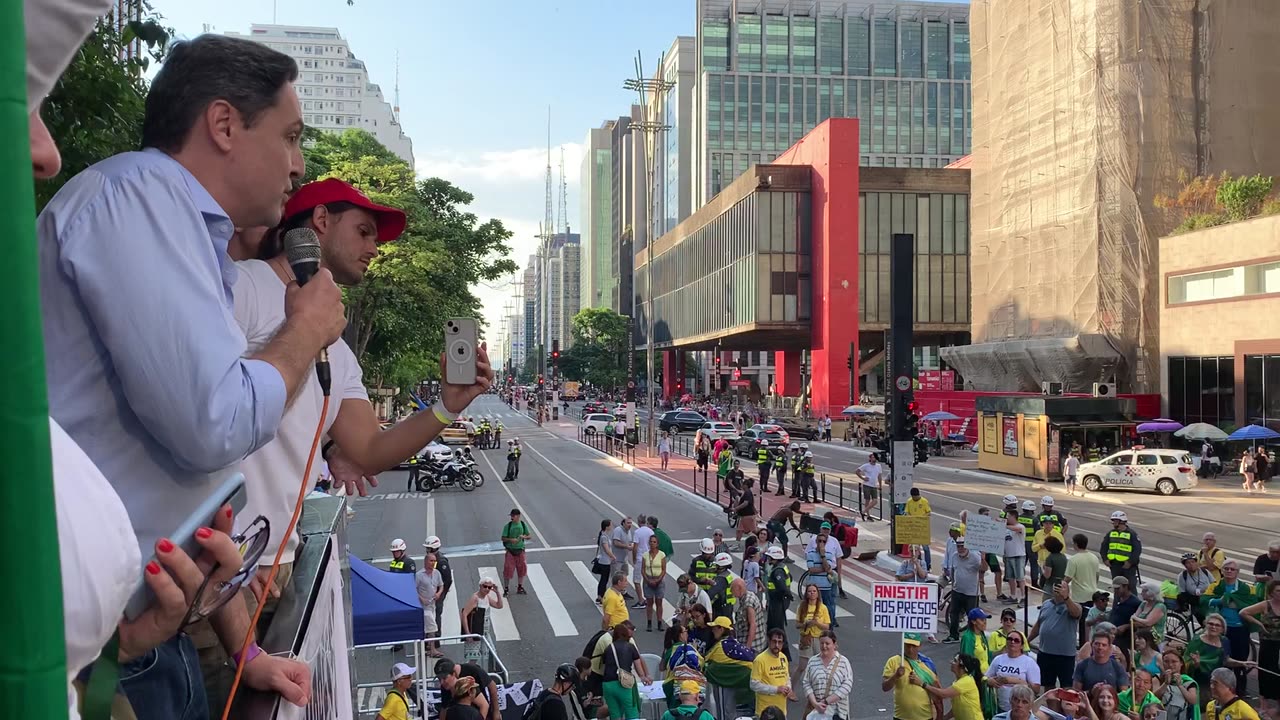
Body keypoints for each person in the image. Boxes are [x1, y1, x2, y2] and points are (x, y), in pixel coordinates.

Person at [39, 33, 325, 716]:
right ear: (224, 124)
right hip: (99, 653)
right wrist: (305, 332)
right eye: (288, 137)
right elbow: (214, 422)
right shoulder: (137, 199)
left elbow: (189, 482)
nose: (298, 164)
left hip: (145, 632)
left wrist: (245, 652)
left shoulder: (187, 233)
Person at [1204, 561, 1255, 691]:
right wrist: (1221, 601)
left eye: (1232, 569)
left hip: (1239, 629)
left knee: (1240, 660)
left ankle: (1240, 690)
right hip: (1221, 629)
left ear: (1237, 572)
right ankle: (1219, 688)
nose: (1229, 571)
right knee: (1220, 658)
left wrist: (1237, 603)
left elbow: (1252, 604)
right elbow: (1204, 601)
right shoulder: (1215, 586)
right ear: (1222, 570)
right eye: (1226, 568)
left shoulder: (1245, 588)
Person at [1030, 576, 1082, 690]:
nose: (1058, 590)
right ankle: (1051, 707)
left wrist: (1066, 598)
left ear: (1068, 591)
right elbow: (1039, 624)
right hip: (1045, 653)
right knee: (1048, 685)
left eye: (1062, 588)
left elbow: (1076, 613)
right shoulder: (1046, 604)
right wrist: (1027, 639)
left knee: (1066, 687)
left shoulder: (1074, 606)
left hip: (1065, 656)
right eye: (1056, 587)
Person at [916, 653, 992, 720]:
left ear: (962, 667)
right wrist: (944, 718)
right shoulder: (958, 682)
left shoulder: (966, 681)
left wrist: (923, 684)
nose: (951, 662)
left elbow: (943, 694)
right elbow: (956, 708)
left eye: (955, 661)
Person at [601, 621, 652, 720]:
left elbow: (604, 668)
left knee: (615, 715)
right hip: (624, 683)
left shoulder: (608, 648)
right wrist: (643, 677)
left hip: (607, 685)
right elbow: (638, 664)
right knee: (631, 713)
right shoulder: (630, 647)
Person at [1240, 578, 1280, 705]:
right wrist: (1259, 624)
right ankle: (1264, 703)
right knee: (1265, 670)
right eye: (1278, 591)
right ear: (1272, 592)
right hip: (1268, 641)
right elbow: (1244, 612)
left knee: (1277, 671)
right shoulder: (1265, 605)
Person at [883, 633, 939, 720]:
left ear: (919, 645)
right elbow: (885, 687)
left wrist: (938, 714)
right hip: (901, 717)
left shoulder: (928, 664)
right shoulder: (894, 661)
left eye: (913, 646)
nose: (910, 649)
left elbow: (936, 691)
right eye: (907, 645)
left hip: (925, 717)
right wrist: (896, 676)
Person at [987, 629, 1041, 712]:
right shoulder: (998, 659)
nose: (1012, 642)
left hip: (1021, 709)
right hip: (1001, 707)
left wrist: (1015, 681)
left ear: (1022, 645)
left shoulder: (1029, 662)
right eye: (1009, 639)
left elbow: (1036, 690)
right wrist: (989, 681)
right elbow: (985, 678)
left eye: (1016, 640)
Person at [435, 658, 500, 720]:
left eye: (444, 678)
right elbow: (444, 708)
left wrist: (495, 712)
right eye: (439, 679)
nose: (441, 682)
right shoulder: (446, 687)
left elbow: (484, 704)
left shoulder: (467, 683)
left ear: (454, 674)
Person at [1067, 534, 1103, 644]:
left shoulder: (1074, 560)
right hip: (1092, 593)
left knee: (1077, 622)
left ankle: (1082, 644)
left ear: (1076, 544)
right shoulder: (1094, 557)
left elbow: (1068, 578)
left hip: (1079, 595)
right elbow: (1097, 575)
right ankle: (1087, 642)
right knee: (1087, 623)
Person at [750, 628, 795, 715]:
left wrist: (788, 687)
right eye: (774, 641)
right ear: (769, 641)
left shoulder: (783, 657)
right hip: (765, 711)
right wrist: (776, 689)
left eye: (780, 642)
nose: (777, 645)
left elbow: (786, 677)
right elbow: (753, 684)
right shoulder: (760, 660)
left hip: (782, 710)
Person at [948, 538, 985, 644]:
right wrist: (953, 584)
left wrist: (983, 559)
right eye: (958, 546)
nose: (960, 549)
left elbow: (984, 569)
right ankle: (953, 635)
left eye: (962, 546)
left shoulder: (975, 557)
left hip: (971, 593)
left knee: (972, 616)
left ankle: (973, 637)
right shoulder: (955, 556)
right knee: (954, 613)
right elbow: (953, 570)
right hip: (957, 590)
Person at [795, 583, 831, 676]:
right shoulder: (802, 607)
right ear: (806, 593)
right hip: (806, 638)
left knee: (821, 664)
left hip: (819, 639)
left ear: (818, 593)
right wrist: (805, 624)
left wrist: (816, 623)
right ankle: (792, 687)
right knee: (802, 666)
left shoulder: (823, 608)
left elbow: (827, 626)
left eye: (814, 591)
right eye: (809, 591)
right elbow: (797, 625)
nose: (812, 593)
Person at [1152, 650, 1200, 720]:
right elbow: (1153, 698)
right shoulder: (1157, 678)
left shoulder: (1188, 681)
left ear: (1181, 663)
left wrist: (1180, 686)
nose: (1170, 665)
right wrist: (1165, 684)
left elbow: (1193, 700)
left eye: (1174, 661)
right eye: (1166, 661)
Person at [1102, 512, 1142, 588]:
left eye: (1115, 521)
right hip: (1114, 565)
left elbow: (1137, 550)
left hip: (1127, 566)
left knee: (1130, 587)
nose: (1113, 523)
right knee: (1117, 587)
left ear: (1121, 521)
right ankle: (1117, 600)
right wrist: (1105, 559)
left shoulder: (1131, 534)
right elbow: (1104, 547)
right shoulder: (1111, 533)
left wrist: (1130, 562)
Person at [416, 553, 445, 657]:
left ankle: (428, 647)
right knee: (432, 627)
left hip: (433, 604)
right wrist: (421, 598)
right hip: (424, 606)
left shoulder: (437, 573)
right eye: (431, 561)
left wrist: (438, 593)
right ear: (426, 561)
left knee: (427, 627)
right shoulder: (419, 575)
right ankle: (432, 649)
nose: (433, 563)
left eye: (434, 561)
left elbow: (441, 585)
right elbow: (413, 589)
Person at [501, 508, 532, 596]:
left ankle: (520, 587)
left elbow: (529, 536)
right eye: (511, 515)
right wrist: (511, 540)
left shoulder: (523, 524)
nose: (511, 517)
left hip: (520, 550)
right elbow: (503, 538)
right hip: (510, 551)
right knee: (508, 570)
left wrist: (524, 537)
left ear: (518, 516)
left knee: (522, 569)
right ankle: (506, 588)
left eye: (513, 516)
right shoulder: (508, 526)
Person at [643, 534, 669, 632]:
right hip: (648, 580)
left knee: (659, 602)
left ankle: (659, 622)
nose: (652, 544)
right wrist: (648, 580)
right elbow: (643, 569)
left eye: (654, 542)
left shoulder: (661, 555)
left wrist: (658, 580)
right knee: (649, 603)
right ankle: (649, 622)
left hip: (659, 580)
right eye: (651, 542)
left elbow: (663, 569)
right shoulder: (645, 555)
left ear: (657, 544)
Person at [1178, 553, 1215, 621]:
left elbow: (1214, 585)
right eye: (1188, 563)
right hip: (1195, 602)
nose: (1191, 564)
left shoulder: (1205, 572)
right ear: (1185, 565)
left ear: (1196, 562)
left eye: (1193, 562)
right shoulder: (1183, 576)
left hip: (1207, 599)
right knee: (1201, 617)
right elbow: (1182, 592)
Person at [1131, 582, 1168, 648]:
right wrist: (1139, 621)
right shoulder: (1143, 604)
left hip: (1154, 640)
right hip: (1141, 637)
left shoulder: (1160, 606)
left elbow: (1148, 622)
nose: (1141, 593)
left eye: (1144, 591)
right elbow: (1132, 620)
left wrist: (1136, 619)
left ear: (1151, 593)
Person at [906, 488, 934, 569]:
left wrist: (921, 518)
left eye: (917, 497)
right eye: (914, 497)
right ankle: (919, 563)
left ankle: (928, 565)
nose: (916, 498)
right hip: (914, 528)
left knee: (925, 548)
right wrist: (910, 517)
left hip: (922, 528)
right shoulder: (909, 502)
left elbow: (928, 512)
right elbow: (907, 512)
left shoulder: (924, 501)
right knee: (915, 548)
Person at [594, 520, 616, 603]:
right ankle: (601, 597)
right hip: (605, 561)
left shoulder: (604, 535)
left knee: (604, 579)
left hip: (605, 561)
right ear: (607, 527)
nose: (611, 526)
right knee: (604, 579)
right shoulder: (604, 537)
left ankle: (600, 596)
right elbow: (606, 549)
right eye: (610, 525)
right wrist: (613, 556)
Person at [856, 453, 884, 520]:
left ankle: (863, 512)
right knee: (867, 500)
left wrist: (880, 485)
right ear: (870, 458)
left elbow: (879, 476)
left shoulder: (878, 466)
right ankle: (868, 515)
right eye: (872, 457)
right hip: (867, 485)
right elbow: (857, 471)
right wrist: (863, 478)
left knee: (875, 500)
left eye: (874, 457)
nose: (873, 459)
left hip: (874, 485)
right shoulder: (866, 466)